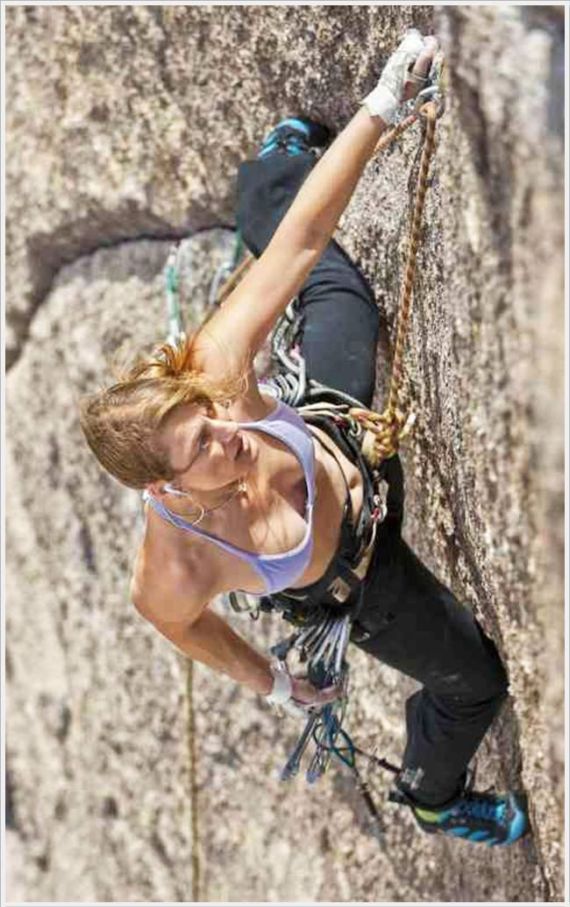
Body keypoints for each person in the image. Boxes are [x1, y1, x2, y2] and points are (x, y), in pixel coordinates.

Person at [80, 31, 528, 846]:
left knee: (331, 282)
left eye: (210, 416)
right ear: (166, 489)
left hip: (336, 437)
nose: (229, 430)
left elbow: (300, 245)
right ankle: (433, 795)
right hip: (360, 579)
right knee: (475, 682)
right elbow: (175, 621)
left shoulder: (213, 379)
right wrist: (273, 681)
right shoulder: (177, 563)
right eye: (203, 447)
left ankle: (269, 170)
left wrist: (379, 109)